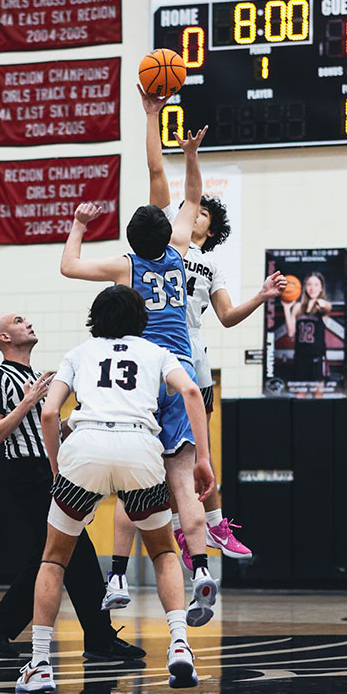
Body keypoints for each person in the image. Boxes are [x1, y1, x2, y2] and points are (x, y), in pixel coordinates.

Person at [100, 90, 287, 592]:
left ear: (208, 223)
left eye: (200, 209)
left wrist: (262, 295)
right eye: (191, 206)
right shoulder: (167, 242)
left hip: (191, 361)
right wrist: (156, 122)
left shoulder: (207, 262)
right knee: (160, 472)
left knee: (190, 463)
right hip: (155, 361)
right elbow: (160, 176)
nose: (192, 208)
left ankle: (208, 525)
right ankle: (187, 539)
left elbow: (225, 317)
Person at [15, 285, 216, 694]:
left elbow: (50, 413)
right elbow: (193, 392)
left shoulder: (77, 353)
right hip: (139, 449)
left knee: (54, 559)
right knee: (161, 551)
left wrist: (57, 464)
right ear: (140, 319)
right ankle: (179, 644)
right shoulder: (157, 353)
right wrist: (203, 458)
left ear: (95, 318)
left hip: (84, 450)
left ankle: (39, 665)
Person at [59, 124, 219, 627]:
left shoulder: (126, 267)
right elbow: (190, 194)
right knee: (184, 485)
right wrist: (191, 155)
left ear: (130, 239)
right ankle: (203, 571)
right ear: (169, 231)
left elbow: (69, 266)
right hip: (182, 371)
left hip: (145, 377)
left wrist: (81, 224)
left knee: (136, 488)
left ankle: (118, 577)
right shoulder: (180, 252)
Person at [0, 311, 145, 663]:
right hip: (26, 473)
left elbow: (52, 428)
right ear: (4, 338)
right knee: (72, 553)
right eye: (19, 321)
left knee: (55, 556)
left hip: (53, 470)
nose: (29, 323)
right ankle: (98, 638)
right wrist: (28, 402)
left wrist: (80, 419)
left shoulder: (38, 377)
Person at [283, 272, 333, 382]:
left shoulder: (322, 306)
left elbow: (328, 308)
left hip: (317, 358)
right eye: (309, 284)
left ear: (321, 288)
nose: (312, 288)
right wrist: (286, 308)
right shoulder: (297, 307)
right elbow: (291, 333)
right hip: (300, 358)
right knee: (300, 395)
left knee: (318, 395)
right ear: (305, 287)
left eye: (316, 285)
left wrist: (323, 304)